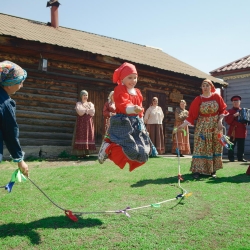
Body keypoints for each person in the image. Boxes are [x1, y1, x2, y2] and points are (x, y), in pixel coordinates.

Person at [98, 62, 151, 171]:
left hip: (135, 123)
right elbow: (123, 105)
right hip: (123, 121)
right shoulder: (119, 89)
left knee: (143, 152)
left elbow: (140, 110)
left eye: (135, 77)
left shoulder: (138, 92)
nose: (133, 80)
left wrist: (143, 126)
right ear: (122, 79)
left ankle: (126, 158)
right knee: (130, 148)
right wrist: (133, 109)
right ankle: (108, 148)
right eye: (130, 78)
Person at [177, 79, 228, 179]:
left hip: (215, 125)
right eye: (203, 86)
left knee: (214, 146)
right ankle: (197, 170)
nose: (205, 88)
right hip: (202, 125)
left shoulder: (217, 96)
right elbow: (192, 115)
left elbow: (222, 110)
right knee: (200, 146)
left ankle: (212, 170)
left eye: (207, 85)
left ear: (211, 87)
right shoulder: (198, 99)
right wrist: (182, 125)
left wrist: (220, 121)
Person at [0, 60, 29, 177]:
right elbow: (10, 133)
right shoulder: (4, 103)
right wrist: (19, 160)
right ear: (9, 84)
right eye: (20, 82)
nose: (22, 85)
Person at [72, 90, 96, 157]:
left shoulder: (90, 104)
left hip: (89, 123)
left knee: (88, 135)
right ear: (81, 96)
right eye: (84, 95)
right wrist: (87, 110)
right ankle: (80, 153)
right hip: (81, 123)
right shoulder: (78, 104)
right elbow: (80, 112)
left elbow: (93, 112)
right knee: (81, 135)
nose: (85, 96)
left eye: (86, 95)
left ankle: (87, 153)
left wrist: (85, 110)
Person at [225, 95, 247, 162]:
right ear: (232, 103)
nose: (235, 103)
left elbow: (246, 120)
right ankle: (231, 158)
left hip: (242, 131)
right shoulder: (229, 111)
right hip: (233, 131)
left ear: (239, 102)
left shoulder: (243, 110)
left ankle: (240, 158)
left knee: (241, 146)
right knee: (231, 146)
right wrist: (234, 115)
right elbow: (228, 121)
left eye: (237, 101)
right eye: (234, 102)